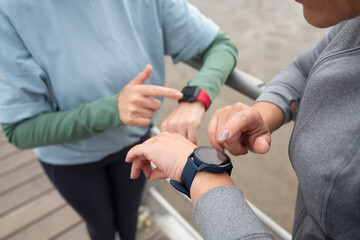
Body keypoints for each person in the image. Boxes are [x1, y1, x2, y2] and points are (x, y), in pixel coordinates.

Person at [0, 1, 237, 240]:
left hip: (136, 143)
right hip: (70, 159)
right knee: (100, 227)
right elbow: (18, 130)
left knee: (129, 216)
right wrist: (112, 110)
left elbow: (221, 45)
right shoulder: (9, 10)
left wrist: (194, 99)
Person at [125, 0, 360, 239]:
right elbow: (302, 69)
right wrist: (261, 114)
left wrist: (196, 172)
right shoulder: (353, 24)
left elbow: (221, 46)